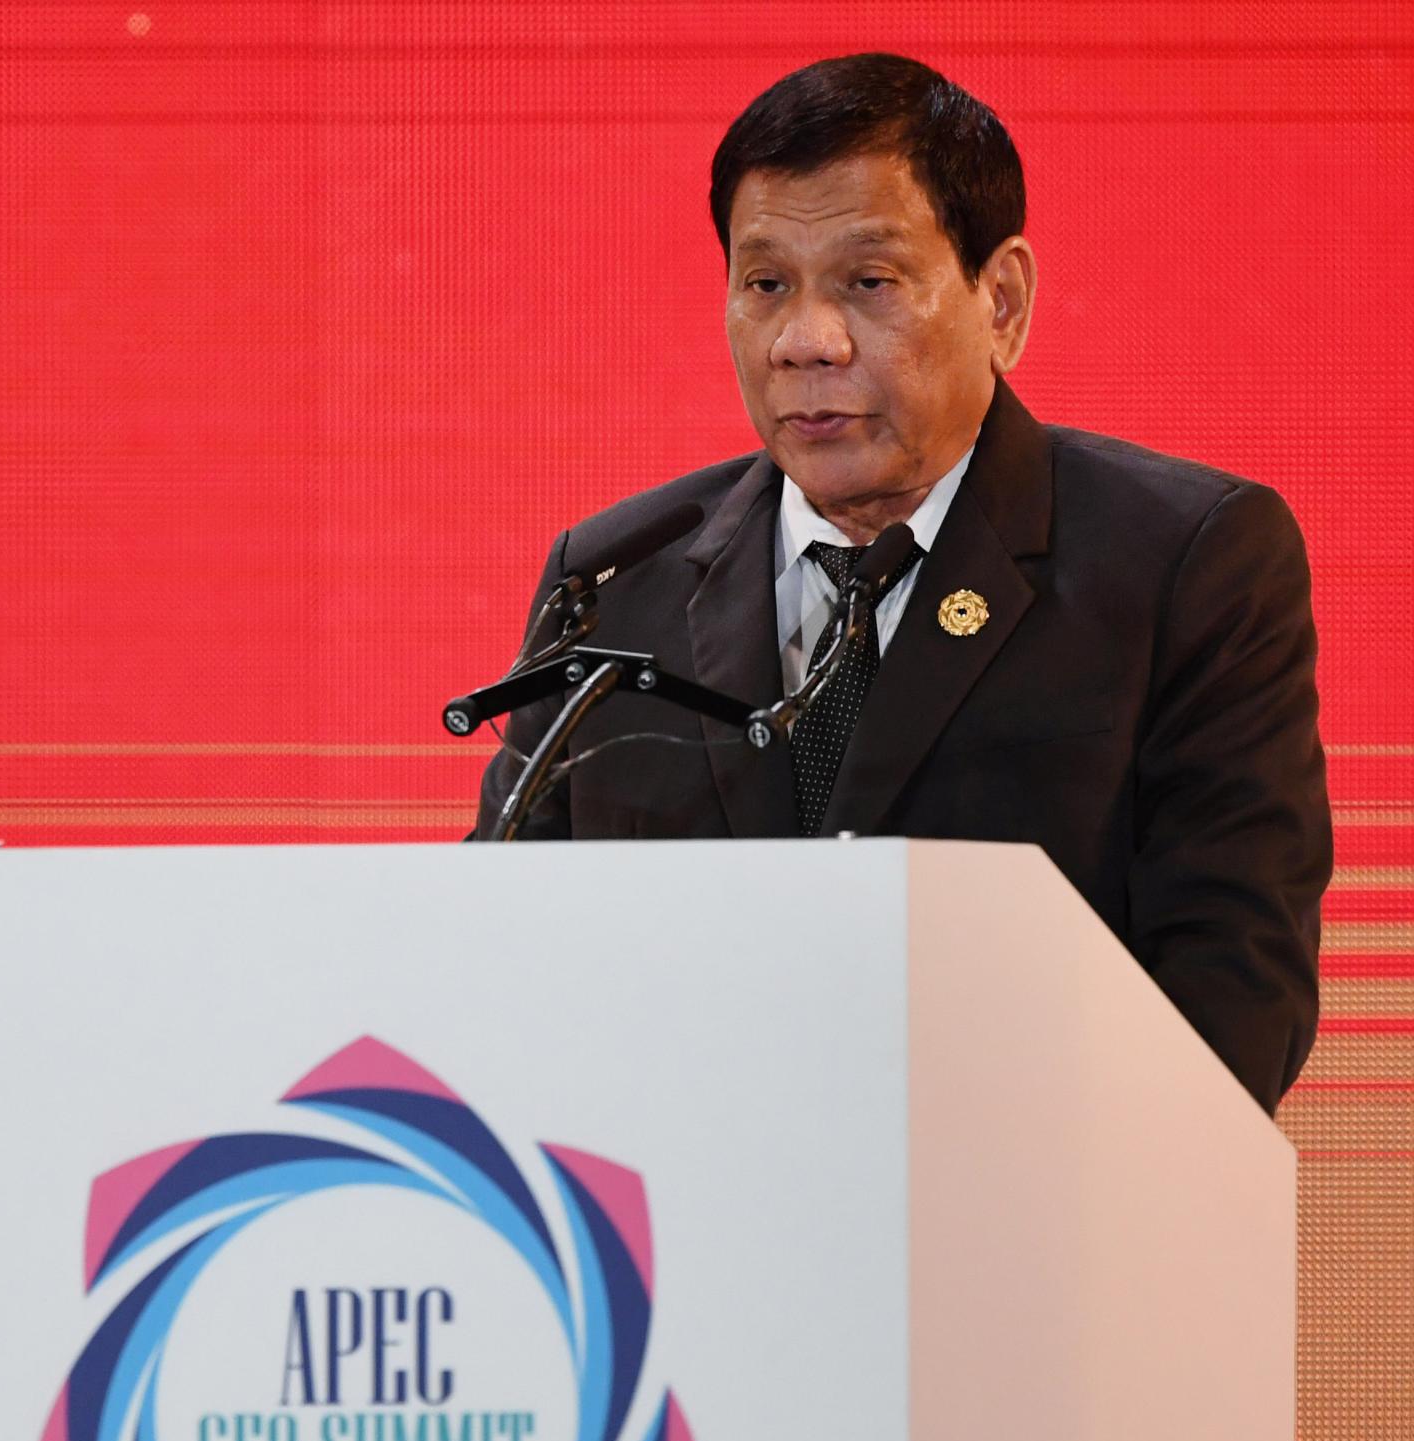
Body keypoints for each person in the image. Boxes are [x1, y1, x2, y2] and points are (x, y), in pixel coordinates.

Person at [470, 53, 1333, 1115]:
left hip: (1029, 1241)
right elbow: (496, 957)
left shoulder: (1182, 561)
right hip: (675, 1250)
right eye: (765, 283)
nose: (804, 342)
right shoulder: (613, 579)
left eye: (868, 284)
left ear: (1001, 299)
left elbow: (1234, 987)